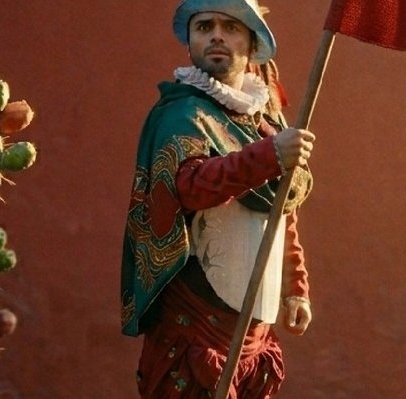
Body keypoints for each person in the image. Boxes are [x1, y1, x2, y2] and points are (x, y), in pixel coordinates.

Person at [120, 0, 316, 397]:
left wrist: (295, 287)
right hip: (195, 328)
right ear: (191, 39)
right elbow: (190, 187)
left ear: (252, 42)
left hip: (256, 335)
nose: (216, 36)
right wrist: (269, 156)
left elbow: (282, 211)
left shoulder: (267, 121)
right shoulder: (181, 113)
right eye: (204, 27)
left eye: (230, 27)